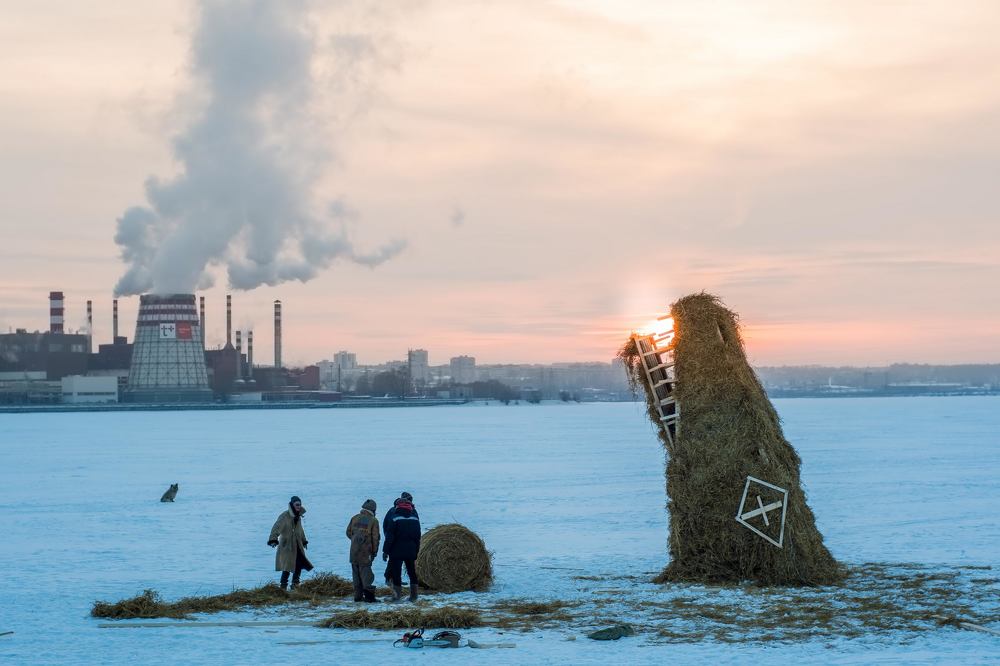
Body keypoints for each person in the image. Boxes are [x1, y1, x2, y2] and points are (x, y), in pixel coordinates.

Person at [268, 495, 314, 591]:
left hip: (297, 545)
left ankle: (295, 584)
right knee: (287, 567)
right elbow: (276, 527)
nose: (299, 506)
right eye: (297, 504)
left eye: (300, 505)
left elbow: (300, 530)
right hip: (287, 546)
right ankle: (283, 586)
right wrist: (273, 539)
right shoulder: (284, 516)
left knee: (299, 564)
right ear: (292, 505)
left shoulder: (298, 516)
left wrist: (304, 541)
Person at [382, 491, 421, 602]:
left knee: (396, 572)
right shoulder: (415, 518)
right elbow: (417, 537)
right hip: (410, 550)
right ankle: (414, 596)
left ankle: (396, 596)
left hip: (396, 550)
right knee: (412, 572)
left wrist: (385, 551)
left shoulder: (395, 518)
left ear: (398, 506)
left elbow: (389, 536)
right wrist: (416, 550)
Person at [346, 498, 381, 602]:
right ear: (373, 510)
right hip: (366, 553)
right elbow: (375, 538)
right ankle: (370, 598)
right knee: (367, 575)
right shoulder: (373, 521)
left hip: (353, 552)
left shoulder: (354, 518)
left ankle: (357, 597)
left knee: (356, 574)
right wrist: (374, 552)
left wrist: (355, 540)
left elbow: (348, 533)